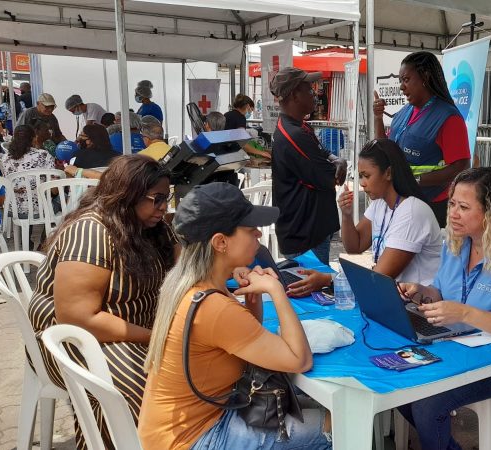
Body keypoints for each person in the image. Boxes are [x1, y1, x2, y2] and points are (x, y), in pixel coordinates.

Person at [139, 182, 331, 450]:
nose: (259, 236)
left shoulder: (191, 286)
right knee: (336, 424)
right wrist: (276, 291)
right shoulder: (214, 308)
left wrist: (252, 299)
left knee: (308, 404)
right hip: (198, 438)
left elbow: (244, 343)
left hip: (177, 429)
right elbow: (299, 360)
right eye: (250, 229)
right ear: (221, 242)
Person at [27, 156, 177, 449]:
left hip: (128, 329)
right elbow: (78, 317)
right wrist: (156, 337)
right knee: (138, 389)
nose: (164, 206)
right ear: (128, 195)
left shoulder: (151, 225)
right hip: (69, 338)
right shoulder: (92, 231)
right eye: (157, 198)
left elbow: (183, 269)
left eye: (166, 197)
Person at [396, 167, 491, 450]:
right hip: (463, 351)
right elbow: (441, 293)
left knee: (428, 404)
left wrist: (466, 314)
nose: (452, 213)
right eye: (452, 203)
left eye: (464, 207)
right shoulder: (456, 244)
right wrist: (421, 291)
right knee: (401, 384)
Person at [286, 139, 442, 297]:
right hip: (395, 298)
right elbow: (355, 246)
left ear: (388, 173)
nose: (362, 183)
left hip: (418, 308)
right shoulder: (380, 203)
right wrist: (346, 215)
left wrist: (328, 280)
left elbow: (380, 277)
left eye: (366, 176)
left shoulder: (412, 212)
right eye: (360, 176)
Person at [373, 51, 471, 227]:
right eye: (400, 81)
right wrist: (378, 118)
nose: (402, 87)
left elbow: (461, 167)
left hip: (432, 205)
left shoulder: (449, 118)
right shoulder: (403, 113)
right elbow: (384, 150)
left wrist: (415, 179)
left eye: (406, 80)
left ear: (425, 77)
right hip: (402, 200)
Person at [270, 67, 347, 264]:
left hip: (310, 230)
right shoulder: (294, 135)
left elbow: (322, 153)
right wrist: (337, 164)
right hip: (305, 235)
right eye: (309, 89)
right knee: (311, 291)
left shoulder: (299, 126)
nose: (315, 93)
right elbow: (331, 178)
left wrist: (337, 159)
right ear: (295, 94)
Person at [0, 124, 56, 217]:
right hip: (38, 210)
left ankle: (25, 231)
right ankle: (47, 231)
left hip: (12, 208)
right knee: (60, 200)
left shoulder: (6, 157)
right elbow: (54, 190)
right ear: (34, 138)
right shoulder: (44, 155)